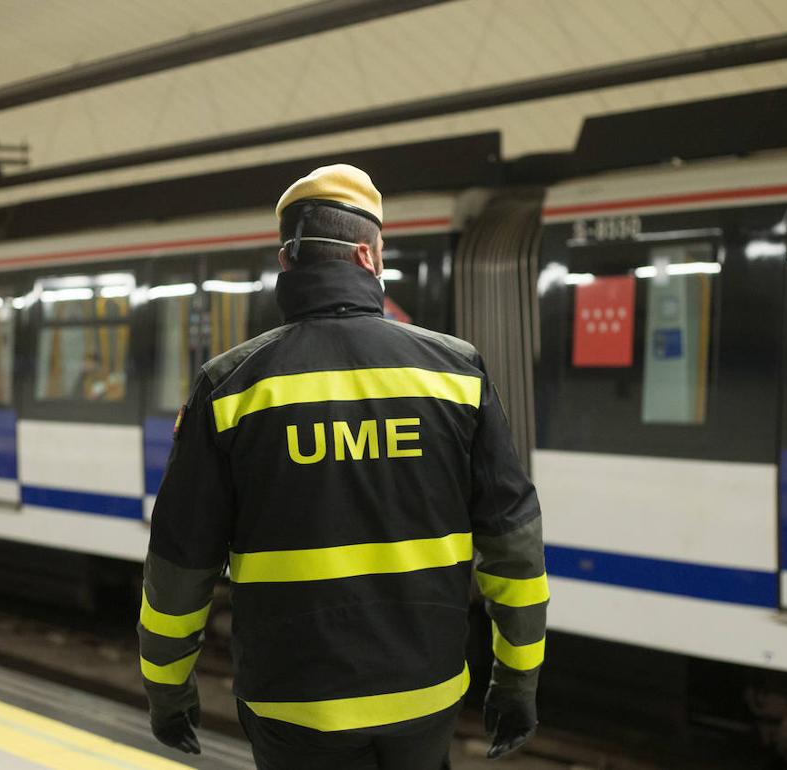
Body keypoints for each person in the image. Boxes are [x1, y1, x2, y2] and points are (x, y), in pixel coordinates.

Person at [138, 164, 549, 769]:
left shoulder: (231, 388)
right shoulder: (455, 375)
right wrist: (517, 680)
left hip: (293, 704)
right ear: (368, 256)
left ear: (287, 261)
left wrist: (167, 689)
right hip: (425, 696)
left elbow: (181, 562)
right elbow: (513, 546)